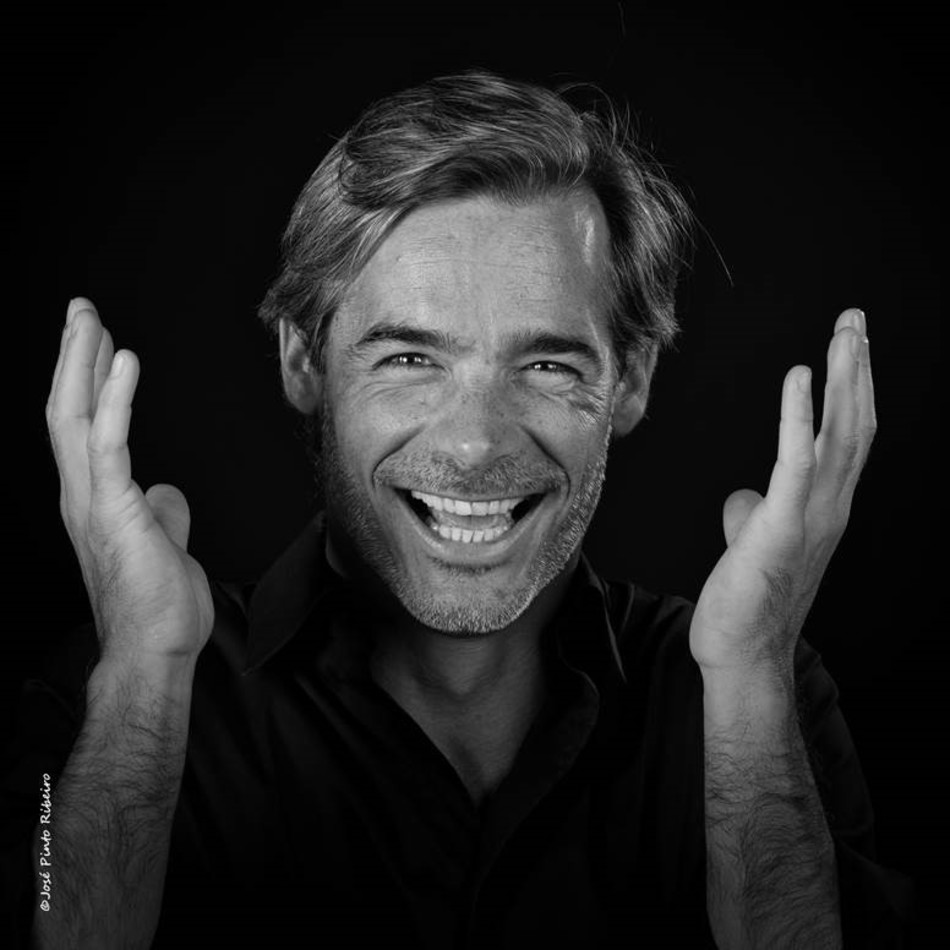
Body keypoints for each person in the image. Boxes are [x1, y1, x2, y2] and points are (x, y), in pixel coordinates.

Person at [3, 71, 911, 947]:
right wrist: (143, 674)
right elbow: (52, 913)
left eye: (546, 365)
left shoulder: (758, 690)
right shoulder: (117, 686)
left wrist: (750, 680)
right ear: (304, 362)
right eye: (410, 360)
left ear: (630, 381)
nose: (476, 445)